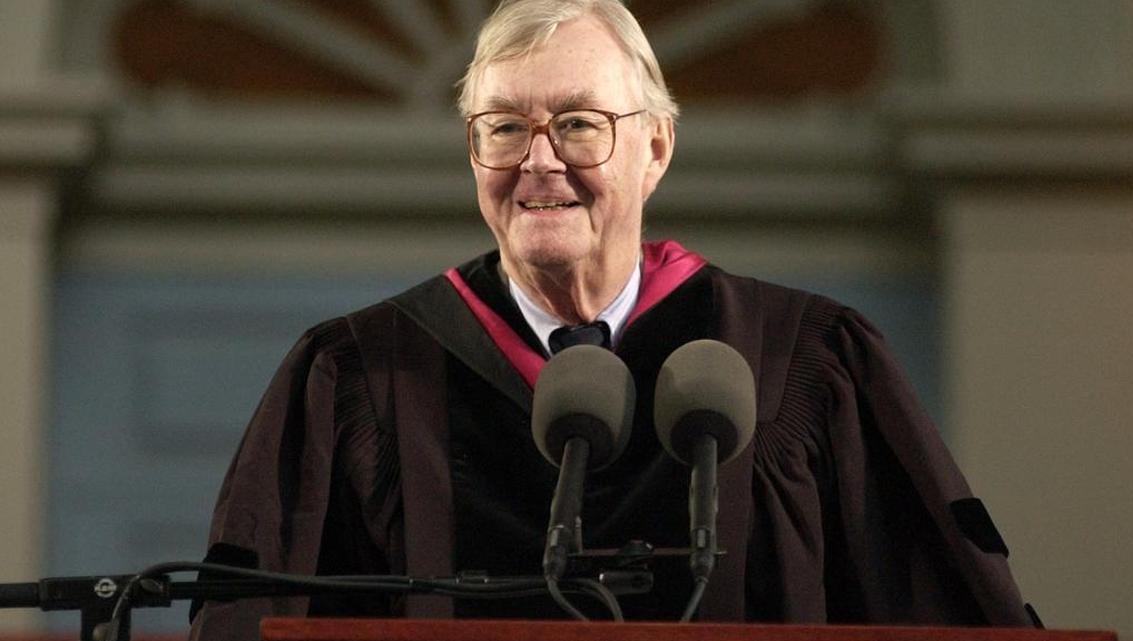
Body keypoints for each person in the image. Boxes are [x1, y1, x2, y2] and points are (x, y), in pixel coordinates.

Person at [188, 0, 1036, 637]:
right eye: (505, 127)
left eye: (580, 125)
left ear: (656, 149)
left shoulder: (801, 360)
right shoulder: (359, 374)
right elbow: (253, 619)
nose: (539, 160)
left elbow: (944, 611)